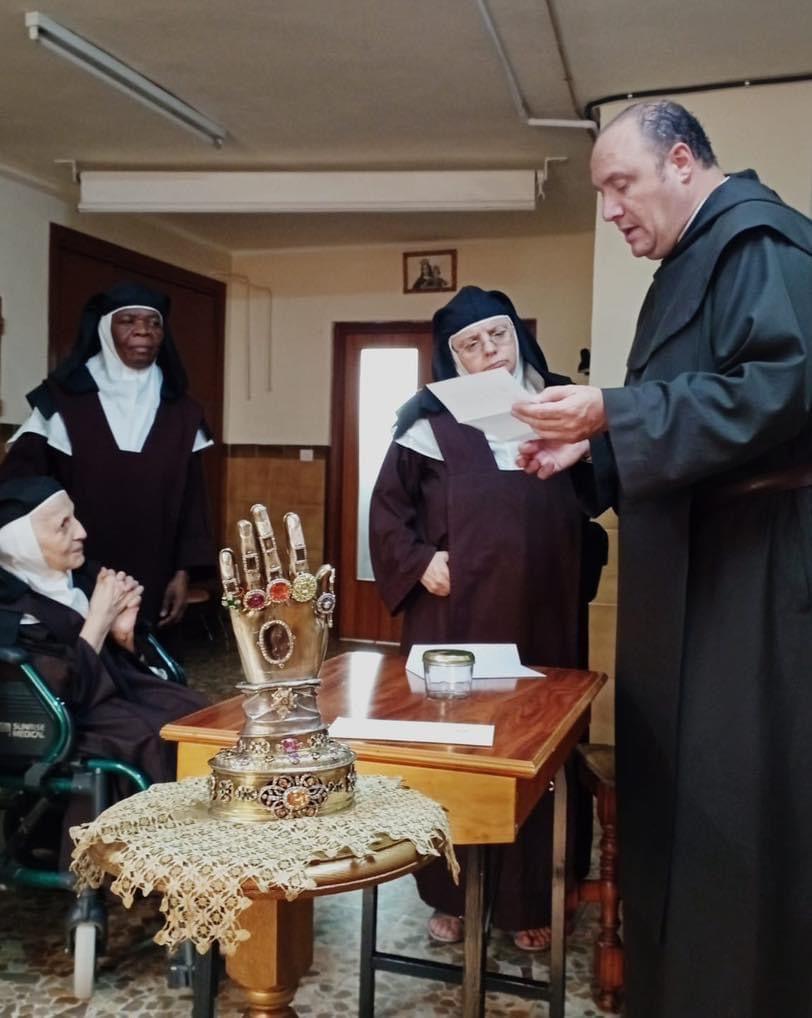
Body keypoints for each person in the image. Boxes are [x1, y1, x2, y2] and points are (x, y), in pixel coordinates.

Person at [512, 101, 812, 1017]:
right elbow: (686, 409)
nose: (610, 207)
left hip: (747, 589)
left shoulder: (761, 244)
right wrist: (590, 451)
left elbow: (779, 390)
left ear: (682, 162)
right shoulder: (688, 264)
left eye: (619, 183)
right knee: (673, 810)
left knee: (732, 820)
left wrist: (616, 415)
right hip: (690, 577)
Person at [370, 286, 603, 950]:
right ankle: (450, 894)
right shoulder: (426, 421)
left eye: (496, 336)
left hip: (546, 616)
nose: (487, 352)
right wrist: (417, 563)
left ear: (519, 336)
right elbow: (388, 514)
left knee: (538, 754)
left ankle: (534, 895)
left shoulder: (564, 404)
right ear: (452, 360)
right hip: (456, 622)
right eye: (469, 345)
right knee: (455, 755)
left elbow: (598, 490)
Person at [0, 476, 208, 865]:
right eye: (63, 525)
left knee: (194, 715)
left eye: (74, 518)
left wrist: (124, 635)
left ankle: (204, 850)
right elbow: (59, 691)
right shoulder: (10, 609)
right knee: (149, 737)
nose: (82, 532)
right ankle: (144, 866)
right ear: (21, 545)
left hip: (107, 695)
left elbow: (115, 665)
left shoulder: (80, 579)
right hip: (58, 718)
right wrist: (96, 621)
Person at [0, 282, 215, 629]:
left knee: (146, 659)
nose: (143, 330)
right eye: (128, 320)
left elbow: (193, 504)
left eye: (154, 323)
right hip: (78, 567)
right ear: (104, 329)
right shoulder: (62, 401)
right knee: (87, 661)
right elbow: (19, 491)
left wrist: (183, 572)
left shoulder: (183, 411)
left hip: (155, 567)